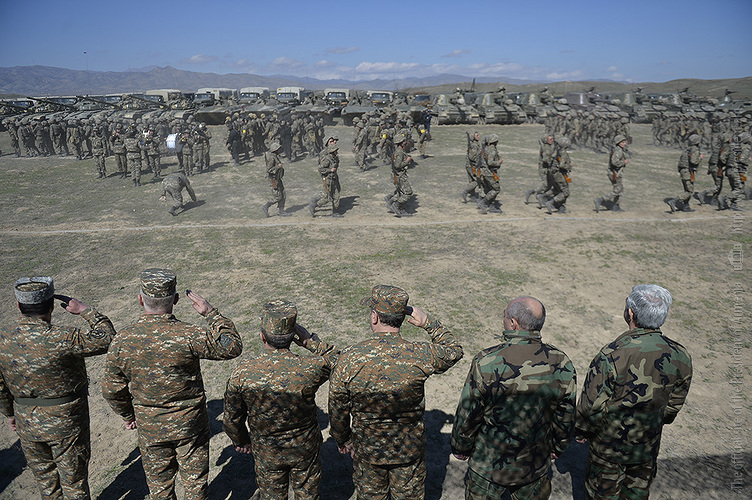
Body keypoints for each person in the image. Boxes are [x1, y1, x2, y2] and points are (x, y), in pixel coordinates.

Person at [102, 269, 243, 500]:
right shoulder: (189, 334)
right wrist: (211, 313)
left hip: (150, 427)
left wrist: (128, 415)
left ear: (140, 300)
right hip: (190, 425)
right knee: (195, 485)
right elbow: (232, 346)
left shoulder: (123, 340)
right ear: (175, 299)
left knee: (160, 489)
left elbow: (111, 389)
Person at [328, 285, 463, 499]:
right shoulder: (419, 354)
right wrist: (428, 322)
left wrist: (343, 439)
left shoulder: (350, 358)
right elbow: (453, 350)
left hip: (368, 450)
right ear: (401, 318)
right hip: (408, 451)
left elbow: (337, 405)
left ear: (374, 317)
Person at [0, 276, 116, 499]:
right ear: (52, 306)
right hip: (67, 423)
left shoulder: (3, 339)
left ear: (18, 305)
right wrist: (85, 311)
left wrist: (10, 413)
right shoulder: (64, 337)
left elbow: (0, 385)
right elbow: (108, 338)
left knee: (47, 485)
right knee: (74, 483)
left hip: (27, 421)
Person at [451, 296, 576, 500]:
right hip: (534, 465)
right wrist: (558, 447)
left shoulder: (486, 361)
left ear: (513, 323)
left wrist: (460, 446)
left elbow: (469, 412)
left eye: (505, 316)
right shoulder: (561, 362)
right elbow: (566, 414)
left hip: (488, 467)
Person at [576, 284, 692, 500]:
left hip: (608, 450)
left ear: (630, 313)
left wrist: (582, 431)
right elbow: (674, 404)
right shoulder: (680, 354)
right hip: (647, 446)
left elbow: (591, 406)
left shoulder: (611, 355)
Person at [223, 300, 339, 500]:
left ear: (262, 336)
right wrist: (309, 341)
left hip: (267, 451)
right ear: (293, 336)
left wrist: (241, 440)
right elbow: (340, 360)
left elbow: (231, 418)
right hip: (304, 449)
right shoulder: (310, 367)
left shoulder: (243, 373)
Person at [667, 134, 702, 213]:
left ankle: (686, 206)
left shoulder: (687, 149)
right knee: (689, 191)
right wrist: (700, 158)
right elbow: (694, 161)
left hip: (684, 171)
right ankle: (674, 201)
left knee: (687, 189)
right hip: (688, 172)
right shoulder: (695, 150)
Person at [594, 134, 629, 212]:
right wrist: (624, 162)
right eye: (623, 142)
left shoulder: (618, 150)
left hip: (615, 173)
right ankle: (601, 200)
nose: (625, 144)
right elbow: (614, 162)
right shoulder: (618, 151)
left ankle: (616, 206)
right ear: (618, 143)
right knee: (618, 190)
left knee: (619, 189)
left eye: (625, 142)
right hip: (615, 173)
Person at [540, 136, 573, 214]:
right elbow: (562, 165)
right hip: (559, 174)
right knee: (565, 192)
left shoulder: (558, 150)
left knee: (557, 189)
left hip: (554, 173)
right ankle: (550, 203)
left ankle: (543, 196)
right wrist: (569, 166)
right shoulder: (563, 153)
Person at [308, 144, 343, 217]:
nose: (337, 152)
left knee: (336, 196)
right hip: (328, 180)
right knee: (327, 197)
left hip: (334, 179)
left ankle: (335, 212)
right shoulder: (327, 160)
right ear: (332, 151)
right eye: (335, 151)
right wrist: (330, 170)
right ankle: (314, 205)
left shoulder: (335, 158)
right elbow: (320, 169)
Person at [261, 142, 291, 218]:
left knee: (283, 194)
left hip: (277, 178)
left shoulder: (275, 157)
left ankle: (281, 211)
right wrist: (278, 167)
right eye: (279, 149)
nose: (280, 150)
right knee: (278, 196)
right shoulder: (272, 158)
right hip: (273, 180)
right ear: (275, 150)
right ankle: (266, 206)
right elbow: (269, 170)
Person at [386, 137, 414, 217]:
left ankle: (390, 203)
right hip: (400, 175)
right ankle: (397, 206)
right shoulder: (400, 153)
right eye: (403, 141)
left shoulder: (398, 151)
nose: (405, 142)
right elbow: (398, 165)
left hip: (396, 175)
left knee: (400, 192)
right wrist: (407, 161)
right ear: (400, 143)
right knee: (408, 192)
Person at [525, 135, 555, 205]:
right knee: (546, 185)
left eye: (552, 139)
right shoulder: (546, 148)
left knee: (549, 184)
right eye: (550, 139)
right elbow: (545, 159)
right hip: (544, 168)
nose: (552, 140)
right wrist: (553, 161)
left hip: (546, 168)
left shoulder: (548, 147)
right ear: (546, 140)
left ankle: (542, 197)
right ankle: (532, 192)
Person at [476, 134, 503, 214]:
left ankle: (491, 207)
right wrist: (499, 162)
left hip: (482, 172)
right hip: (489, 172)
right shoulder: (492, 150)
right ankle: (483, 202)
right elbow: (490, 162)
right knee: (496, 189)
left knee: (489, 189)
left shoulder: (484, 149)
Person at [462, 131, 481, 203]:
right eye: (477, 135)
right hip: (472, 165)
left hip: (469, 165)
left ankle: (472, 197)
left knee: (471, 181)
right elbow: (472, 157)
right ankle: (465, 191)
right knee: (477, 180)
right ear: (473, 137)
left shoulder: (475, 144)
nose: (478, 136)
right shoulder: (475, 145)